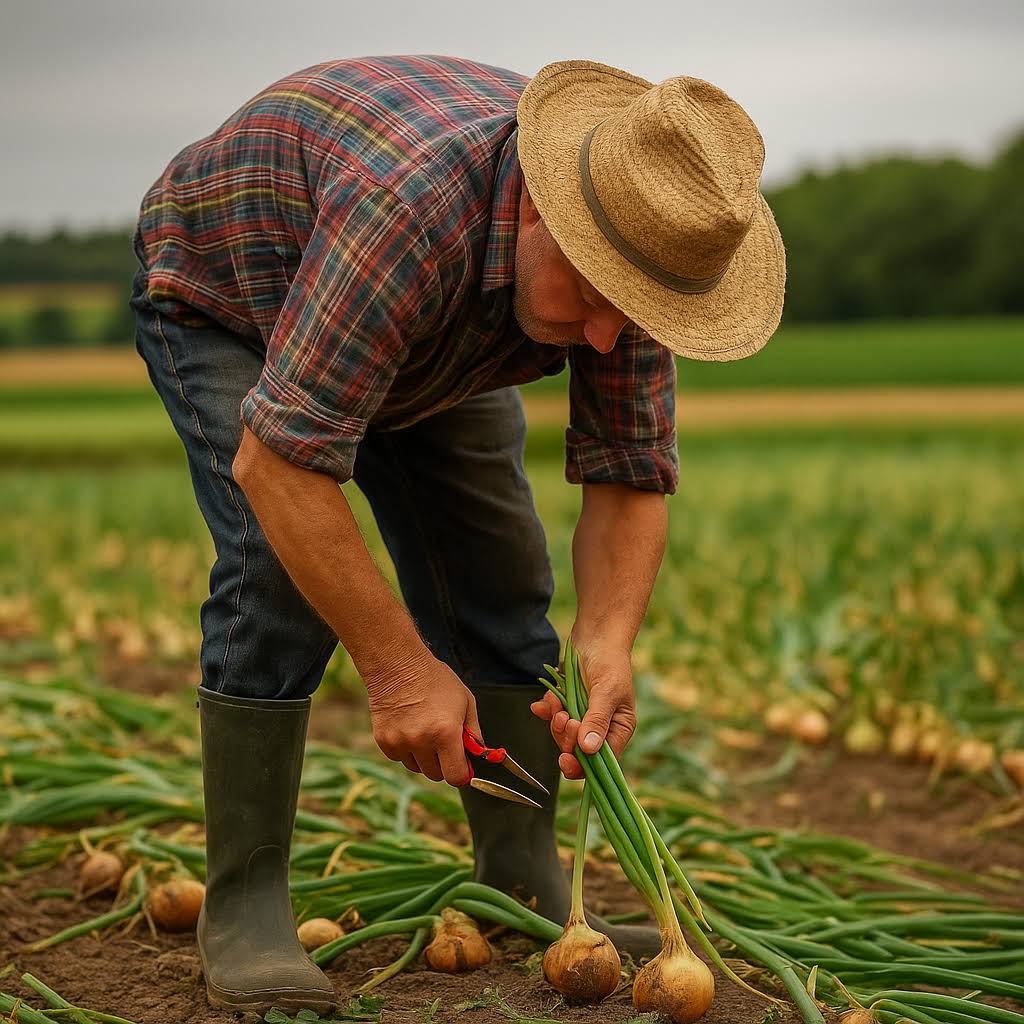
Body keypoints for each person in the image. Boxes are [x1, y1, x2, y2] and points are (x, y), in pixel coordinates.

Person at [130, 54, 785, 1014]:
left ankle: (522, 874)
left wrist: (606, 643)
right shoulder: (408, 214)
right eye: (593, 296)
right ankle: (245, 901)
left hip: (427, 331)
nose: (605, 339)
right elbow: (279, 467)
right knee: (279, 573)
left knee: (501, 569)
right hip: (235, 299)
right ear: (539, 211)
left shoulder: (641, 262)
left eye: (630, 312)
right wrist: (398, 672)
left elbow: (630, 476)